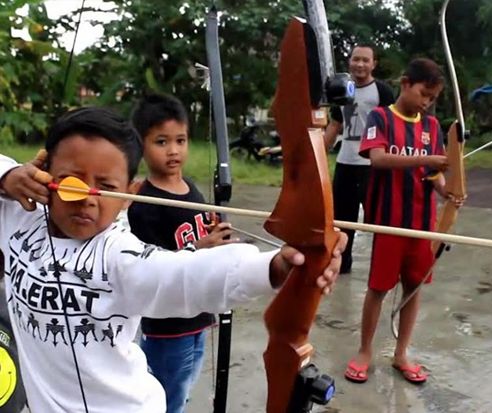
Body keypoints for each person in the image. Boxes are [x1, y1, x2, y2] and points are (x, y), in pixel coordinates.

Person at [0, 106, 346, 412]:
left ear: (127, 195)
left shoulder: (117, 255)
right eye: (72, 181)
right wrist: (8, 176)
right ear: (43, 172)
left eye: (105, 186)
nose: (87, 197)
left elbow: (182, 274)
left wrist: (275, 266)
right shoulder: (18, 214)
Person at [343, 58, 464, 384]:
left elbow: (434, 175)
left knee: (413, 289)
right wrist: (426, 158)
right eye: (423, 93)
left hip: (422, 224)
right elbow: (379, 159)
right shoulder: (379, 117)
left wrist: (448, 194)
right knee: (378, 288)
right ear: (405, 83)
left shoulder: (432, 127)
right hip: (389, 221)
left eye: (432, 98)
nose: (426, 102)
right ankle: (365, 351)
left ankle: (401, 354)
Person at [127, 93, 233, 412]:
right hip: (168, 326)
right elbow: (149, 266)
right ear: (141, 146)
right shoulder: (145, 203)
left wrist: (218, 235)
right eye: (161, 142)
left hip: (198, 316)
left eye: (180, 140)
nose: (173, 151)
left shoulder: (190, 188)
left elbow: (203, 232)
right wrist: (197, 247)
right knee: (166, 398)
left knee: (183, 390)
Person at [324, 44, 395, 274]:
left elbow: (393, 128)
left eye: (366, 60)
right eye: (356, 59)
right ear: (349, 62)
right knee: (342, 221)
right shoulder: (342, 89)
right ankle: (341, 266)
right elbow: (335, 124)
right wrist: (318, 155)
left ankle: (385, 266)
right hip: (345, 164)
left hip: (372, 166)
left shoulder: (382, 92)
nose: (360, 64)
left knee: (379, 219)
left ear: (373, 64)